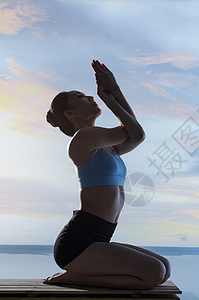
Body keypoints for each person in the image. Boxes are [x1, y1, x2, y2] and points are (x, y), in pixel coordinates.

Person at [43, 59, 171, 289]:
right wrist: (110, 97)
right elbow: (134, 130)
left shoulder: (106, 146)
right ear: (70, 113)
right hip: (78, 244)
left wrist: (114, 91)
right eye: (80, 96)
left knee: (164, 268)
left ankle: (80, 274)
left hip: (99, 237)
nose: (90, 97)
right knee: (153, 274)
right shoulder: (84, 138)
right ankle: (75, 277)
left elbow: (136, 135)